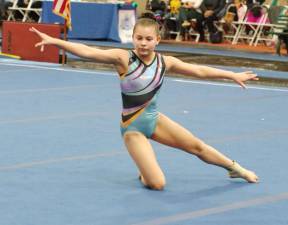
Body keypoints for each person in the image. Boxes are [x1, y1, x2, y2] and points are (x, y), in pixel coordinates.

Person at [30, 14, 259, 190]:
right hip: (133, 129)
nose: (143, 43)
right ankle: (145, 171)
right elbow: (88, 51)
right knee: (158, 184)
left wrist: (232, 75)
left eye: (149, 39)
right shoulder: (123, 58)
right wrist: (56, 42)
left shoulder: (165, 61)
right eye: (139, 38)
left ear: (157, 40)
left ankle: (235, 169)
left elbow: (199, 70)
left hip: (156, 120)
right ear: (133, 38)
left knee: (197, 146)